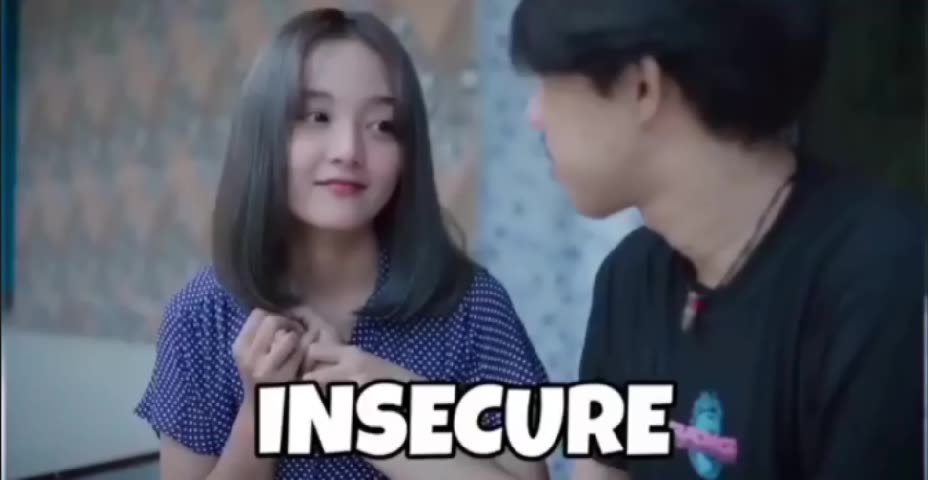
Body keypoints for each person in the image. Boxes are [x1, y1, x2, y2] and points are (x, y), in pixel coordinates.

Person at [509, 0, 923, 479]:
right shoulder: (630, 280)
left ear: (642, 87)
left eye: (549, 82)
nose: (534, 116)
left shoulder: (879, 276)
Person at [136, 8, 550, 480]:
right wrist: (260, 415)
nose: (348, 151)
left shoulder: (469, 305)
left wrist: (385, 411)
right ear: (264, 134)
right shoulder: (201, 316)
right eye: (317, 116)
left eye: (382, 126)